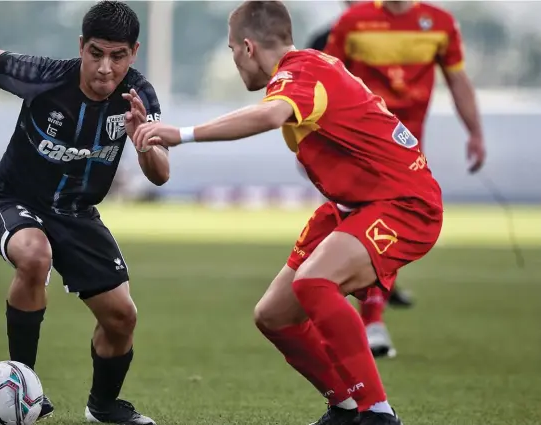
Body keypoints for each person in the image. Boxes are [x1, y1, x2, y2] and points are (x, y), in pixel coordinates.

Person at [132, 1, 444, 424]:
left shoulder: (300, 73)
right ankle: (346, 407)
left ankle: (378, 413)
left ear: (246, 47)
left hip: (404, 204)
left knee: (315, 283)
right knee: (274, 315)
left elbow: (270, 114)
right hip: (354, 206)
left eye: (230, 50)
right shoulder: (307, 70)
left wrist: (182, 134)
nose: (234, 60)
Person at [0, 2, 167, 424]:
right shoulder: (45, 76)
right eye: (96, 53)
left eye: (117, 56)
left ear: (133, 53)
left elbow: (160, 175)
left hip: (77, 213)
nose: (104, 68)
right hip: (13, 198)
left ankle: (103, 407)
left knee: (121, 318)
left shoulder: (139, 95)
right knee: (34, 256)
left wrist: (143, 141)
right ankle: (23, 384)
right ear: (81, 47)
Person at [324, 0, 485, 358]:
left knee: (385, 230)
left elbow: (458, 80)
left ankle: (370, 319)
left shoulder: (439, 23)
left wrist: (475, 132)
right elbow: (327, 79)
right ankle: (350, 316)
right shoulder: (354, 21)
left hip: (407, 152)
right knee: (350, 229)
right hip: (357, 145)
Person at [306, 0, 417, 313]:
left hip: (383, 143)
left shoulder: (393, 36)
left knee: (385, 213)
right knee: (339, 212)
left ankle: (371, 282)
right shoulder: (324, 39)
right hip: (341, 147)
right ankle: (332, 275)